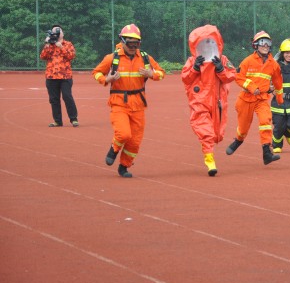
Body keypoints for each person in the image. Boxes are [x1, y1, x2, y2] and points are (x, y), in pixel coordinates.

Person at [92, 24, 165, 178]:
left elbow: (161, 73)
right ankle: (114, 148)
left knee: (135, 141)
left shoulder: (145, 58)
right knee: (124, 134)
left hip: (138, 104)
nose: (133, 47)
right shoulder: (112, 58)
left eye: (136, 43)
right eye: (130, 43)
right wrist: (107, 79)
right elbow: (97, 72)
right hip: (119, 102)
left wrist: (152, 74)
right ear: (123, 41)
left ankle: (124, 166)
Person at [181, 25, 236, 176]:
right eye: (203, 43)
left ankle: (209, 150)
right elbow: (185, 79)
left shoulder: (222, 60)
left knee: (217, 134)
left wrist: (220, 69)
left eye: (210, 42)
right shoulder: (193, 61)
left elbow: (231, 76)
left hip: (217, 102)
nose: (207, 46)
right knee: (206, 132)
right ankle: (209, 159)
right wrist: (195, 68)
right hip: (199, 102)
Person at [226, 31, 284, 165]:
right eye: (262, 43)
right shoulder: (248, 61)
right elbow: (238, 77)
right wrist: (252, 87)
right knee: (243, 128)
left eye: (268, 43)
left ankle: (267, 153)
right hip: (245, 99)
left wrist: (280, 99)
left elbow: (278, 83)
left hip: (262, 99)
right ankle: (238, 141)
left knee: (265, 121)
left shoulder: (273, 64)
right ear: (256, 45)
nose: (265, 46)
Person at [40, 24, 79, 127]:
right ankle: (57, 121)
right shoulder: (49, 45)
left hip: (65, 76)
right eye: (54, 31)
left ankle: (73, 119)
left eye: (58, 31)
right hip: (51, 76)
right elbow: (43, 56)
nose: (56, 33)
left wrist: (61, 46)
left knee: (67, 96)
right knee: (54, 99)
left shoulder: (68, 44)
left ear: (62, 33)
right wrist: (47, 44)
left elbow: (71, 56)